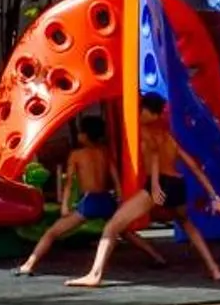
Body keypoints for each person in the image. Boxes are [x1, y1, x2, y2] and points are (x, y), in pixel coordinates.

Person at [69, 96, 220, 287]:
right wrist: (213, 195)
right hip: (178, 184)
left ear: (151, 113)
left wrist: (154, 184)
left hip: (160, 183)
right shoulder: (167, 136)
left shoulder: (143, 131)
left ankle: (95, 275)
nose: (140, 114)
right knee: (187, 224)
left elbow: (153, 156)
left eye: (143, 111)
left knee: (112, 227)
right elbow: (193, 167)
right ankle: (214, 269)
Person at [14, 114, 163, 276]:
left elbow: (69, 182)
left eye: (80, 133)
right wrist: (119, 198)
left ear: (85, 135)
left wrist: (65, 205)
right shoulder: (105, 152)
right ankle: (156, 256)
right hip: (106, 199)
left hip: (90, 201)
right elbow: (114, 176)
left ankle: (29, 264)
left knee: (52, 233)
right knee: (124, 231)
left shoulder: (76, 155)